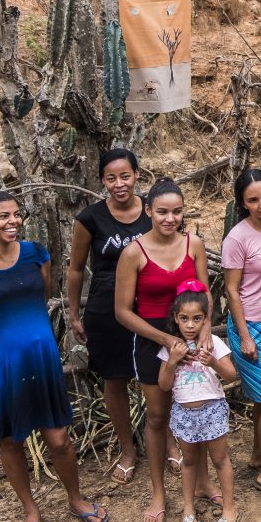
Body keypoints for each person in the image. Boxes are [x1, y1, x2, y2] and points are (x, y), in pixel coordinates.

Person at [0, 191, 108, 522]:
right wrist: (1, 348)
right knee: (10, 439)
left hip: (41, 359)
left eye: (16, 215)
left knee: (58, 438)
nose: (12, 222)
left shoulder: (35, 254)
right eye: (2, 217)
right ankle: (30, 510)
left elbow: (40, 297)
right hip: (3, 364)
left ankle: (75, 498)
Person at [115, 178, 214, 522]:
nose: (169, 219)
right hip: (151, 337)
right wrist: (163, 339)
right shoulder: (133, 252)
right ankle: (158, 492)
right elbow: (123, 311)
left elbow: (206, 294)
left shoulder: (195, 244)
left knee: (196, 408)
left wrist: (202, 333)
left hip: (189, 334)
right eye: (162, 212)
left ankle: (201, 481)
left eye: (176, 211)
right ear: (148, 211)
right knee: (158, 416)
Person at [66, 148, 151, 484]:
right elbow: (74, 270)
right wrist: (75, 313)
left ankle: (168, 441)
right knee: (114, 380)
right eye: (111, 178)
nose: (119, 184)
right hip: (105, 309)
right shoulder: (90, 219)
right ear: (102, 180)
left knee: (157, 377)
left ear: (137, 175)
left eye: (125, 176)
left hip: (150, 306)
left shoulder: (152, 210)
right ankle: (127, 448)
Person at [220, 168, 261, 498]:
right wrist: (245, 336)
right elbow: (232, 290)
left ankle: (259, 454)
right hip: (251, 326)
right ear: (242, 204)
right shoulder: (237, 238)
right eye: (252, 200)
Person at [158, 280, 239, 522]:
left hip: (212, 409)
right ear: (176, 318)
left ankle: (229, 508)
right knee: (190, 461)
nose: (190, 325)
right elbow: (163, 384)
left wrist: (213, 361)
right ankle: (188, 508)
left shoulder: (213, 341)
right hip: (183, 413)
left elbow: (231, 376)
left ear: (205, 319)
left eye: (196, 319)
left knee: (220, 459)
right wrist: (172, 361)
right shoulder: (171, 347)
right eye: (184, 318)